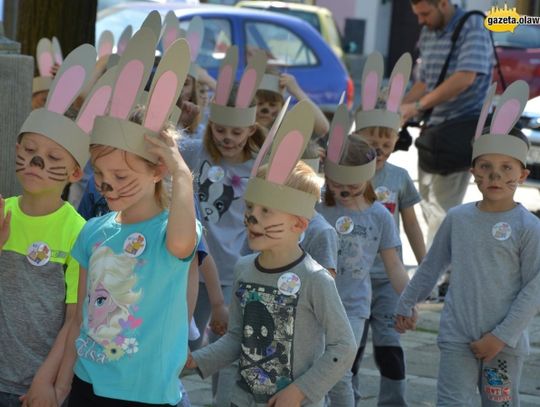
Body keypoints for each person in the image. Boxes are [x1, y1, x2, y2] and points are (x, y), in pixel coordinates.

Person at [53, 30, 201, 407]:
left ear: (157, 171)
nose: (108, 186)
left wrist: (182, 173)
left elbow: (184, 245)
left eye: (122, 177)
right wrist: (61, 384)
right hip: (88, 385)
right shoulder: (92, 232)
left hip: (146, 395)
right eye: (101, 176)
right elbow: (79, 318)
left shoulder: (172, 230)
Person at [187, 100, 356, 407]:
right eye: (250, 208)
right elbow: (235, 339)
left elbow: (343, 346)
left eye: (267, 211)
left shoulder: (315, 279)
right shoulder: (243, 268)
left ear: (299, 223)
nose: (253, 218)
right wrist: (194, 361)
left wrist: (301, 390)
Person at [395, 80, 540, 406]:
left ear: (522, 172)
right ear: (473, 170)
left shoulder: (528, 227)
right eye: (486, 167)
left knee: (499, 403)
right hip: (457, 337)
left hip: (504, 345)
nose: (495, 176)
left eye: (506, 168)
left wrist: (501, 337)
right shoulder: (459, 218)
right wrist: (406, 303)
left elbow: (535, 287)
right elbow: (433, 265)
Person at [0, 44, 98, 407]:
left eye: (54, 157)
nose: (36, 162)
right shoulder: (2, 212)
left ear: (75, 172)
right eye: (28, 149)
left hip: (33, 387)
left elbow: (75, 319)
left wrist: (51, 382)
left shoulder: (78, 231)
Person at [181, 46, 267, 406]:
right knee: (180, 347)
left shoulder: (258, 167)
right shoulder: (194, 152)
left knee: (225, 351)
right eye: (219, 130)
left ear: (251, 129)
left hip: (233, 271)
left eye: (236, 131)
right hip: (189, 268)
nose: (227, 138)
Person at [318, 104, 411, 407]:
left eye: (352, 186)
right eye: (336, 184)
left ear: (369, 177)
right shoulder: (316, 206)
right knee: (311, 369)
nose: (343, 192)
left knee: (340, 371)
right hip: (312, 303)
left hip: (354, 307)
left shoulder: (380, 216)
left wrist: (408, 300)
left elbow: (394, 263)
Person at [348, 51, 426, 406]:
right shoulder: (344, 178)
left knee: (389, 342)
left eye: (386, 139)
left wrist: (424, 269)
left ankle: (393, 401)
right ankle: (343, 396)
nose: (379, 146)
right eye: (371, 138)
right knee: (350, 342)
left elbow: (411, 225)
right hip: (351, 278)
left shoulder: (399, 177)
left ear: (396, 140)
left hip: (388, 279)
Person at [400, 0, 494, 248]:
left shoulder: (472, 25)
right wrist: (396, 108)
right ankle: (442, 269)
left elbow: (465, 77)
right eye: (417, 14)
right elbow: (424, 83)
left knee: (443, 210)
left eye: (425, 13)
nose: (420, 20)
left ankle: (436, 277)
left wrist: (418, 106)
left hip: (460, 127)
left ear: (443, 3)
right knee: (428, 204)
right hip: (432, 132)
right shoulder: (428, 31)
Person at [255, 67, 329, 138]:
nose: (265, 110)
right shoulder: (246, 128)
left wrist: (296, 91)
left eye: (272, 105)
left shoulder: (287, 126)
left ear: (282, 106)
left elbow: (322, 128)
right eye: (260, 103)